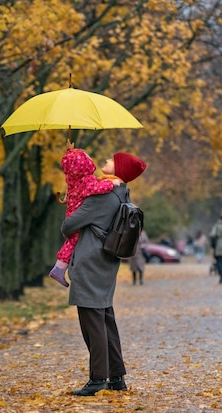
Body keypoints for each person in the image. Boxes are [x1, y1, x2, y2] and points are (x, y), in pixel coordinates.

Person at [60, 151, 147, 396]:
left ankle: (97, 378)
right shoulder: (121, 194)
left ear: (118, 169)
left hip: (90, 263)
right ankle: (116, 376)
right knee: (105, 318)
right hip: (106, 263)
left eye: (111, 160)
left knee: (92, 322)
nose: (105, 161)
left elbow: (68, 226)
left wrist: (73, 204)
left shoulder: (102, 197)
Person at [49, 142, 121, 287]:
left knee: (71, 241)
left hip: (72, 209)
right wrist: (112, 184)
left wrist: (70, 152)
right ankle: (59, 268)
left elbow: (73, 166)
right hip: (76, 212)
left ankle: (59, 268)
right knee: (73, 241)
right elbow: (98, 187)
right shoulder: (86, 182)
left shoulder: (72, 178)